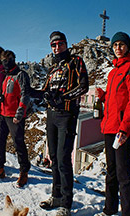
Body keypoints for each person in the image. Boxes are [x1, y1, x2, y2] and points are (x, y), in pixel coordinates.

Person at [39, 31, 88, 216]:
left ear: (66, 44)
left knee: (63, 159)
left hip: (67, 115)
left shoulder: (76, 61)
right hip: (51, 116)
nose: (56, 47)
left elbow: (84, 86)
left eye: (60, 44)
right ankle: (56, 196)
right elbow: (44, 90)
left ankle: (66, 204)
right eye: (53, 45)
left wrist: (63, 97)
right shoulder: (53, 68)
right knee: (53, 158)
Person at [94, 31, 130, 216]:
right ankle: (109, 209)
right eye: (115, 45)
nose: (118, 48)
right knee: (111, 171)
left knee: (123, 174)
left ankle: (128, 213)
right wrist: (104, 96)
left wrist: (125, 127)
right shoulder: (113, 72)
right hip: (109, 127)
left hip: (122, 129)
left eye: (121, 45)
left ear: (127, 46)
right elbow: (116, 98)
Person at [0, 50, 31, 187]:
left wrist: (20, 112)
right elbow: (7, 93)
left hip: (15, 116)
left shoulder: (21, 75)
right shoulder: (6, 76)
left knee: (18, 144)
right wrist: (1, 98)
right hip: (3, 113)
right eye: (4, 60)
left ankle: (24, 171)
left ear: (14, 59)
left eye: (9, 59)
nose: (6, 62)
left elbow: (25, 94)